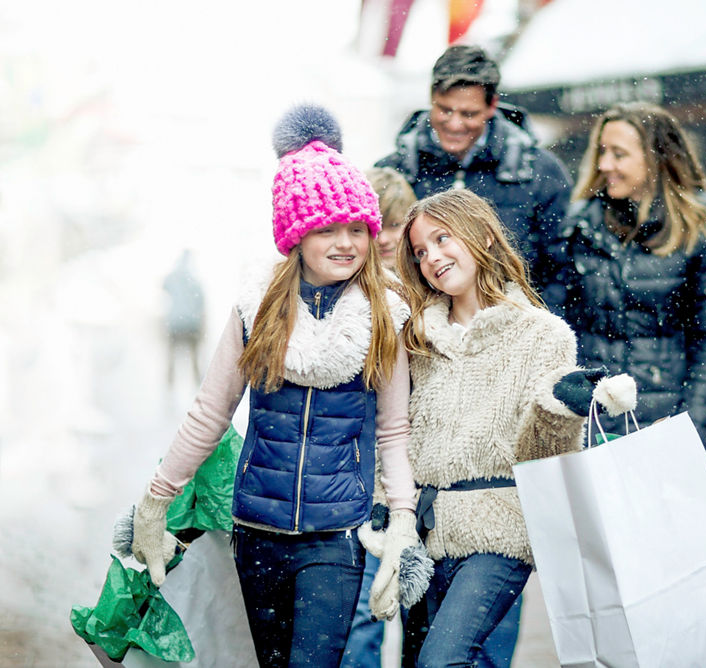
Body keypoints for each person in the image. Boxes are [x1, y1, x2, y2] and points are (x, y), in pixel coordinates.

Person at [128, 104, 420, 668]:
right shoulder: (255, 310)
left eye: (357, 228)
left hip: (336, 534)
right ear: (296, 236)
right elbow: (211, 411)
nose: (347, 243)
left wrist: (402, 520)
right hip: (256, 530)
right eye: (327, 228)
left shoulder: (385, 314)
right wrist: (156, 499)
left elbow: (393, 429)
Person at [393, 189, 635, 668]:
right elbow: (399, 432)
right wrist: (391, 510)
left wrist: (559, 407)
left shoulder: (541, 334)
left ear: (482, 235)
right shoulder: (418, 337)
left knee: (441, 661)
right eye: (420, 251)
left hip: (500, 530)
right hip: (425, 530)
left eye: (442, 239)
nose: (432, 257)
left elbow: (547, 459)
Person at [554, 102, 706, 492]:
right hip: (594, 425)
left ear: (656, 159)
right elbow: (559, 326)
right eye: (602, 151)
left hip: (667, 423)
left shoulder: (700, 232)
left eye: (619, 153)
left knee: (675, 548)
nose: (605, 164)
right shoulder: (578, 229)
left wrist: (692, 430)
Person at [376, 44, 572, 311]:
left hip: (516, 332)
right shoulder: (394, 171)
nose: (455, 124)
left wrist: (529, 327)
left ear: (492, 105)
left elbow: (561, 272)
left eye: (468, 114)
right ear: (431, 98)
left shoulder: (539, 172)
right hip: (418, 335)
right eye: (445, 110)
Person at [341, 165, 417, 668]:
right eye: (377, 225)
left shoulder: (428, 288)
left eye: (396, 225)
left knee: (422, 617)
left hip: (425, 477)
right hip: (366, 481)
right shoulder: (350, 296)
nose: (386, 238)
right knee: (363, 616)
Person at [163, 248, 205, 388]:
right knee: (194, 357)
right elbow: (201, 303)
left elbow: (164, 287)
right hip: (192, 324)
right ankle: (198, 385)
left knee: (171, 357)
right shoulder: (194, 280)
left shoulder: (172, 277)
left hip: (175, 323)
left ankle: (169, 385)